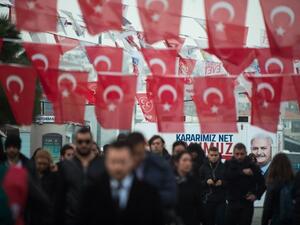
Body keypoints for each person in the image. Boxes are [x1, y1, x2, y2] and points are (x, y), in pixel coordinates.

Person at [79, 140, 164, 225]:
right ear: (106, 162)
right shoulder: (92, 192)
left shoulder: (149, 193)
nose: (118, 167)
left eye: (123, 162)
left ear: (132, 162)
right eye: (113, 162)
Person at [54, 127, 104, 225]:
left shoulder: (101, 165)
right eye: (80, 142)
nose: (84, 144)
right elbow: (60, 197)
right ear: (76, 143)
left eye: (87, 141)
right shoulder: (67, 166)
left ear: (91, 142)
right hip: (71, 218)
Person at [126, 132, 177, 222]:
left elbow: (171, 194)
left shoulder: (160, 165)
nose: (136, 157)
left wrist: (149, 198)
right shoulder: (122, 165)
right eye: (133, 153)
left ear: (144, 145)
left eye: (139, 152)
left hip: (155, 216)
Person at [224, 143, 266, 225]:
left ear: (246, 153)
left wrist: (256, 195)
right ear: (233, 154)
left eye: (242, 154)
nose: (239, 156)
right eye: (237, 154)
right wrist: (242, 172)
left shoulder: (252, 166)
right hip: (232, 203)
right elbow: (226, 176)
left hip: (246, 204)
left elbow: (263, 184)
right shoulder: (228, 164)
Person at [262, 153, 295, 225]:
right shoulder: (294, 182)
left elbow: (267, 207)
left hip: (277, 220)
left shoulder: (273, 184)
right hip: (292, 219)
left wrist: (264, 222)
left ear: (273, 166)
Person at [199, 147, 226, 225]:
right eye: (212, 155)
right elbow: (198, 184)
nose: (214, 157)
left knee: (221, 222)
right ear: (208, 155)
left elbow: (229, 182)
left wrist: (222, 182)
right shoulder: (203, 167)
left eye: (215, 155)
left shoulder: (223, 167)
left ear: (219, 155)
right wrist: (206, 182)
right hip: (207, 201)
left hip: (221, 201)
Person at [174, 151, 202, 225]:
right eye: (184, 160)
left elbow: (199, 205)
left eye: (190, 160)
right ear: (177, 163)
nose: (188, 163)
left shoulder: (195, 182)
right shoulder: (169, 181)